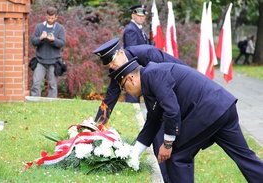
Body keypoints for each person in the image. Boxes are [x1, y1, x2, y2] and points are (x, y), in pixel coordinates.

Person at [108, 59, 263, 183]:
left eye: (124, 88)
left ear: (131, 78)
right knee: (245, 156)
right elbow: (153, 121)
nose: (126, 92)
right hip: (224, 107)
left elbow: (172, 111)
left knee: (176, 156)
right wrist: (134, 154)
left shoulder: (152, 75)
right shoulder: (150, 78)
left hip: (209, 112)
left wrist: (168, 144)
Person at [93, 38, 187, 183]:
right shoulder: (118, 70)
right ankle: (164, 178)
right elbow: (110, 99)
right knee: (156, 137)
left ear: (121, 53)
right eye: (108, 65)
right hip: (155, 110)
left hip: (175, 99)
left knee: (176, 145)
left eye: (112, 62)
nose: (111, 67)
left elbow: (178, 69)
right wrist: (98, 126)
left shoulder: (148, 54)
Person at [31, 6, 66, 98]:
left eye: (52, 18)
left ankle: (52, 104)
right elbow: (33, 41)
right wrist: (40, 38)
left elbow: (62, 42)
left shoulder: (60, 28)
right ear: (46, 16)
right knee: (36, 83)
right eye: (49, 17)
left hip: (54, 61)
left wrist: (54, 40)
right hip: (40, 60)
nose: (50, 20)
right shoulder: (39, 27)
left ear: (56, 17)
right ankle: (34, 103)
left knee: (53, 86)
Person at [123, 4, 150, 103]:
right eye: (139, 16)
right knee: (133, 94)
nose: (141, 18)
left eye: (143, 16)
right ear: (133, 15)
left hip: (139, 66)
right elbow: (132, 50)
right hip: (134, 67)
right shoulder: (131, 30)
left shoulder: (138, 29)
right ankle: (132, 110)